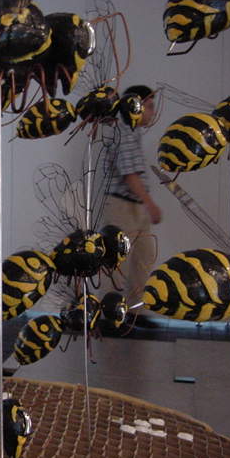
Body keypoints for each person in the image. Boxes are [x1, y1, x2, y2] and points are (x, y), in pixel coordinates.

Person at [103, 85, 161, 324]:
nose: (152, 112)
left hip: (135, 207)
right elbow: (130, 175)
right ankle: (109, 316)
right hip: (123, 207)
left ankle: (135, 312)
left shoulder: (133, 133)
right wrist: (151, 204)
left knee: (143, 258)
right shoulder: (124, 132)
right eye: (149, 106)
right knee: (117, 264)